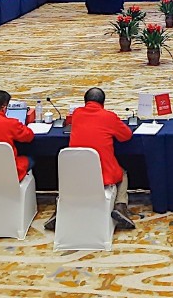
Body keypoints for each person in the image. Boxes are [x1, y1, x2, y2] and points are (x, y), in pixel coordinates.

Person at [54, 88, 134, 231]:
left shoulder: (77, 113)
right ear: (103, 103)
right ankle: (120, 206)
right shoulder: (109, 117)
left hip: (77, 175)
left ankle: (60, 209)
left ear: (85, 102)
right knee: (122, 174)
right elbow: (126, 135)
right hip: (103, 175)